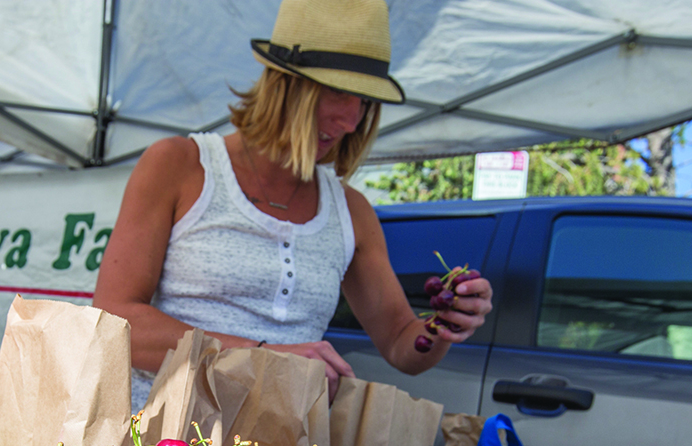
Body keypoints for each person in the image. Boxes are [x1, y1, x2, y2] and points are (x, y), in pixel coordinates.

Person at [93, 0, 493, 410]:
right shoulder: (181, 164)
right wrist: (258, 356)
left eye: (364, 100)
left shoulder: (351, 210)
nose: (351, 120)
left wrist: (445, 323)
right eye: (338, 91)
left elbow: (402, 345)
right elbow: (115, 320)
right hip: (162, 441)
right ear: (284, 86)